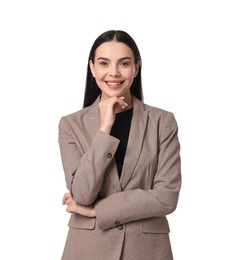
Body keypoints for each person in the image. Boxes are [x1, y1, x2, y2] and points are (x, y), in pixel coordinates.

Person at [58, 30, 181, 260]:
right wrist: (104, 128)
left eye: (124, 63)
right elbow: (82, 194)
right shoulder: (70, 124)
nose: (114, 72)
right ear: (92, 68)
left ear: (136, 67)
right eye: (104, 63)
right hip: (88, 249)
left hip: (146, 249)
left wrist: (97, 211)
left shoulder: (162, 122)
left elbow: (167, 196)